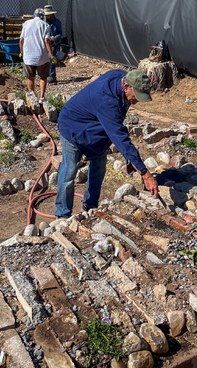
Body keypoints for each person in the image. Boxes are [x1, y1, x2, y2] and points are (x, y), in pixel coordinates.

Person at [55, 69, 159, 218]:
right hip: (71, 125)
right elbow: (121, 138)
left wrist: (132, 162)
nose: (136, 101)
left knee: (99, 167)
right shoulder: (108, 102)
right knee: (69, 170)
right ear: (126, 86)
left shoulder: (120, 76)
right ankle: (63, 214)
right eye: (136, 96)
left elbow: (115, 128)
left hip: (94, 127)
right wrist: (145, 174)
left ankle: (90, 207)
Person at [19, 8, 56, 103]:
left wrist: (22, 52)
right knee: (43, 77)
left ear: (34, 15)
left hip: (28, 56)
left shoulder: (26, 24)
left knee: (30, 77)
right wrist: (51, 55)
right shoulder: (45, 25)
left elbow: (21, 40)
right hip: (42, 56)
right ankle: (42, 98)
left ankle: (32, 98)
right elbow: (47, 41)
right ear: (42, 16)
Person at [44, 4, 62, 84]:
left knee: (52, 59)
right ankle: (47, 75)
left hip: (54, 43)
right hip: (46, 42)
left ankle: (52, 76)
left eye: (48, 15)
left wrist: (54, 38)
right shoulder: (43, 22)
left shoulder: (57, 22)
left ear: (51, 14)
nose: (47, 16)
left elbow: (60, 34)